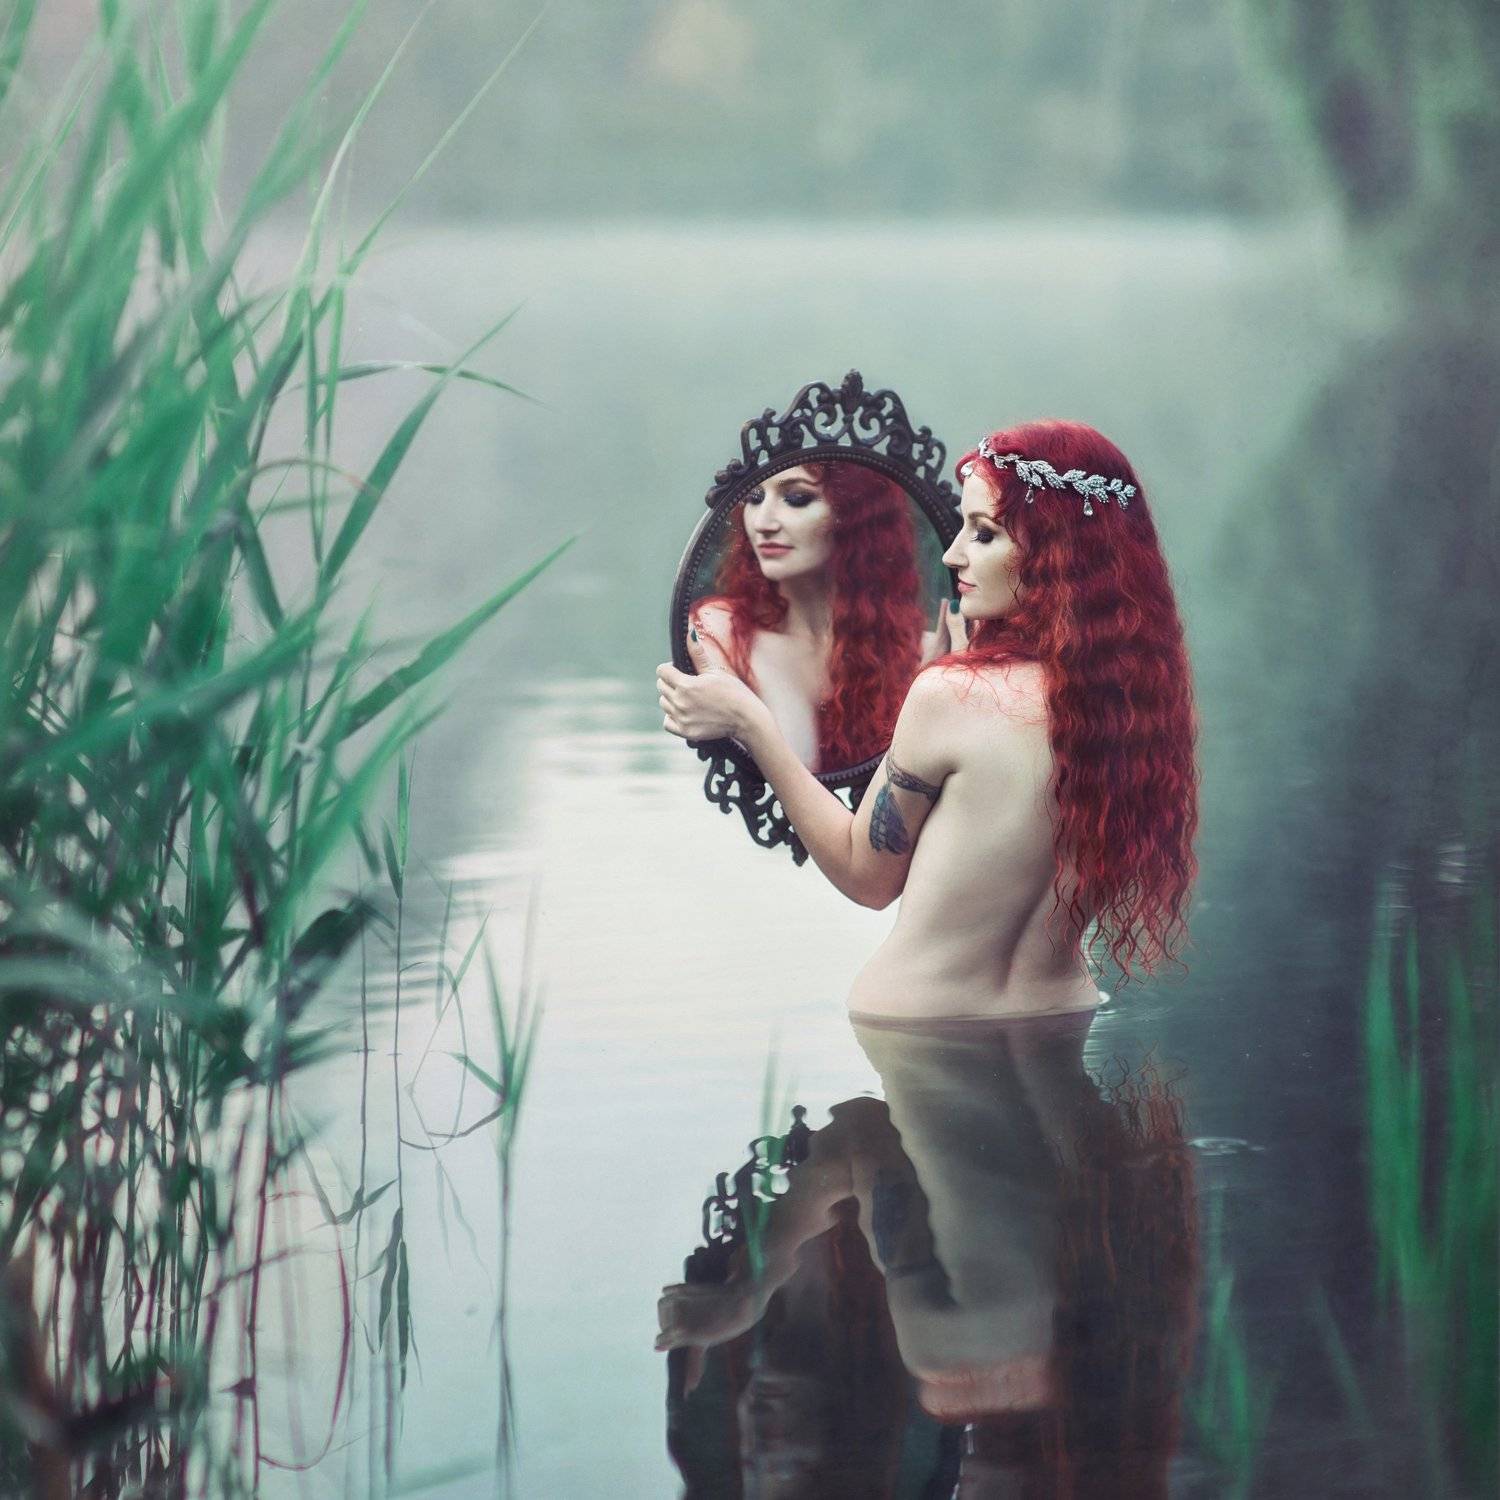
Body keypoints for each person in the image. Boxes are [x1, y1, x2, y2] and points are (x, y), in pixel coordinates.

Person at [658, 419, 1198, 1016]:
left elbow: (868, 878)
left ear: (1058, 551)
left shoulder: (950, 695)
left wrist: (750, 723)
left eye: (984, 534)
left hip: (921, 1022)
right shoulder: (1129, 702)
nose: (952, 553)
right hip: (1061, 1013)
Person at [687, 460, 945, 772]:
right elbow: (800, 762)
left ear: (855, 515)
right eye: (754, 498)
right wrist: (767, 664)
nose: (762, 523)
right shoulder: (721, 629)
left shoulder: (926, 653)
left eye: (796, 498)